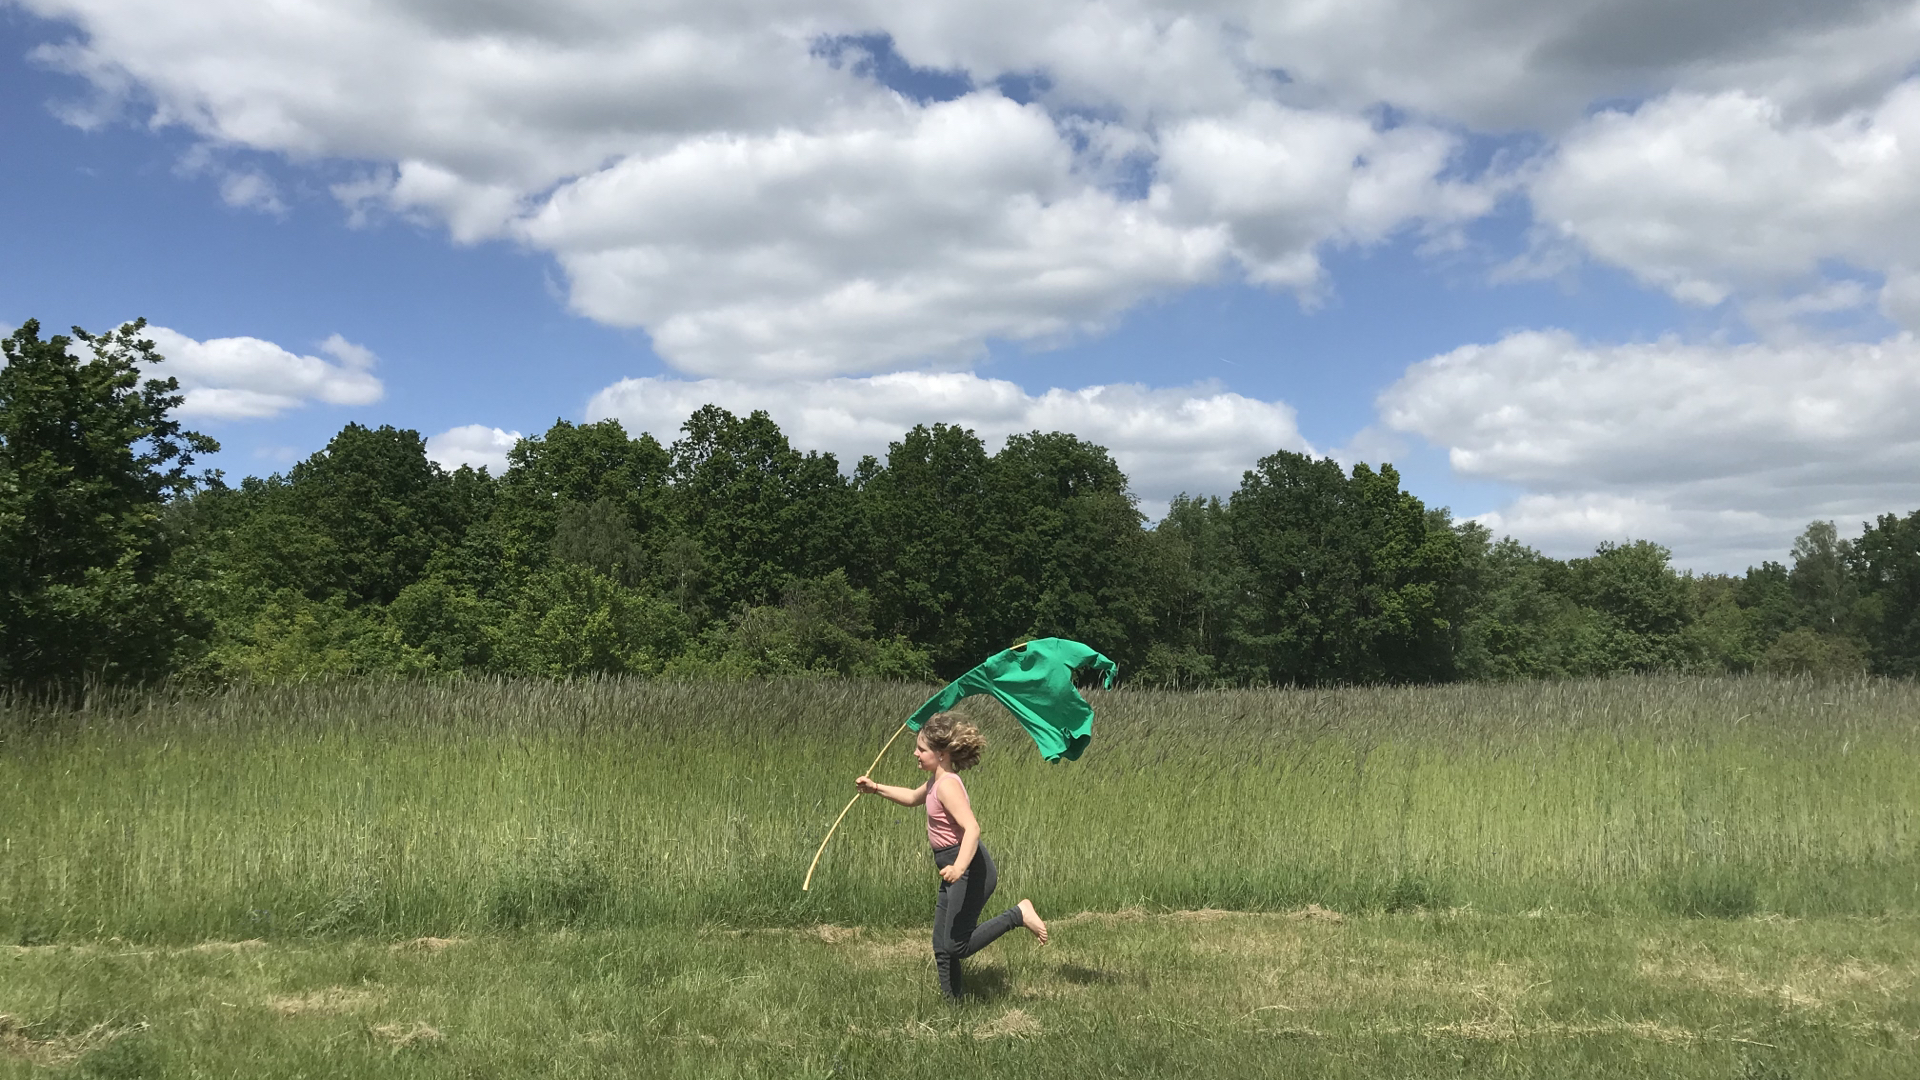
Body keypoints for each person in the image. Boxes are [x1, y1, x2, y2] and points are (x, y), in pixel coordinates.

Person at [855, 711, 1048, 998]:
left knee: (957, 944)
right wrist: (875, 788)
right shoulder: (936, 780)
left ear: (942, 754)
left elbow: (972, 828)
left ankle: (1018, 914)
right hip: (953, 867)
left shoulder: (947, 786)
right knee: (941, 945)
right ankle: (953, 1007)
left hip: (968, 868)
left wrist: (959, 868)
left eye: (921, 749)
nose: (916, 754)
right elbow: (911, 797)